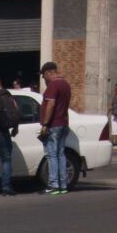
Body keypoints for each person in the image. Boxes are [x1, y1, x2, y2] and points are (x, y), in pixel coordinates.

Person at [38, 60, 73, 194]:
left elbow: (51, 105)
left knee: (52, 155)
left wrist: (45, 124)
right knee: (60, 154)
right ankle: (63, 185)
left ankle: (53, 184)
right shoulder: (65, 85)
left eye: (43, 75)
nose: (43, 78)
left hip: (54, 125)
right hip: (63, 123)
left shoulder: (53, 86)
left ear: (48, 73)